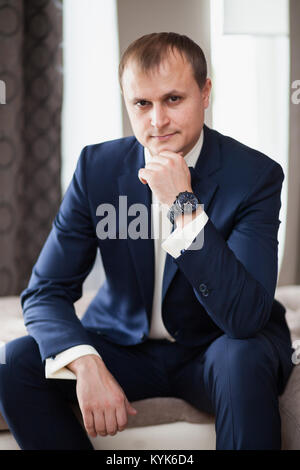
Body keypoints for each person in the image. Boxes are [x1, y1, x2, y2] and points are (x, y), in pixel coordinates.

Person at [0, 32, 294, 450]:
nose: (157, 121)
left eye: (173, 99)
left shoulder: (254, 176)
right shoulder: (96, 168)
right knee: (16, 361)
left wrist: (183, 204)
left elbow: (245, 317)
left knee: (242, 357)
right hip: (123, 347)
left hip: (214, 347)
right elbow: (46, 290)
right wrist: (84, 361)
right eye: (142, 103)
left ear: (205, 93)